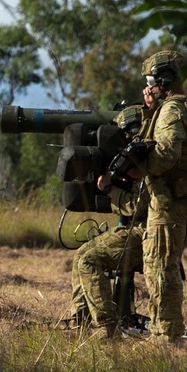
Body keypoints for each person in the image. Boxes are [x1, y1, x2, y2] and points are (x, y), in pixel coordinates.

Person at [128, 50, 187, 343]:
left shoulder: (173, 110)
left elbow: (167, 152)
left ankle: (167, 338)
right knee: (163, 267)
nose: (149, 86)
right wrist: (151, 110)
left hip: (168, 203)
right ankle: (167, 333)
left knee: (161, 270)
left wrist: (139, 170)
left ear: (164, 77)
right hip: (183, 200)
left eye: (152, 79)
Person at [67, 105, 149, 339]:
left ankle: (105, 327)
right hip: (138, 230)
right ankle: (80, 325)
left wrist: (110, 189)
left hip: (147, 232)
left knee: (88, 259)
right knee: (81, 256)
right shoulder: (135, 160)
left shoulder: (148, 159)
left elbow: (137, 207)